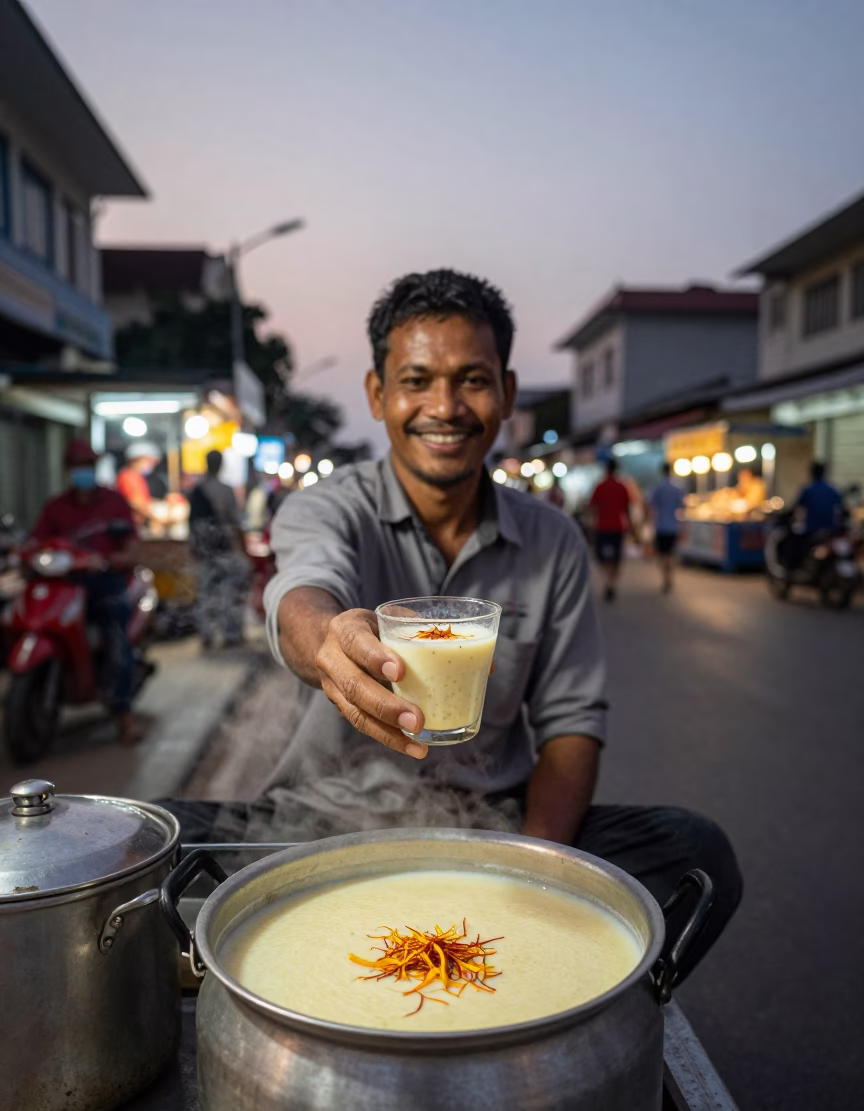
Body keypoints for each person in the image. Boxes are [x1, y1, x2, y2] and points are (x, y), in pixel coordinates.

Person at [160, 269, 742, 983]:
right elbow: (302, 595)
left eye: (471, 379)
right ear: (378, 394)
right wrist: (329, 642)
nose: (445, 407)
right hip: (319, 822)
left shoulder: (553, 540)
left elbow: (571, 722)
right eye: (417, 380)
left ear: (504, 392)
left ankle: (585, 1014)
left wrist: (533, 872)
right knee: (136, 849)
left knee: (697, 853)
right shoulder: (326, 508)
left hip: (491, 825)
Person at [30, 438, 143, 744]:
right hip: (66, 584)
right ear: (68, 470)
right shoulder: (55, 507)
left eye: (88, 466)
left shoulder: (114, 502)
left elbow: (132, 548)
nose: (83, 472)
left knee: (115, 630)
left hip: (105, 584)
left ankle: (124, 713)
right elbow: (36, 542)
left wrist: (110, 560)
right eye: (78, 466)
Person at [188, 449, 249, 650]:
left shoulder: (197, 490)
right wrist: (242, 548)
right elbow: (235, 522)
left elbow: (192, 524)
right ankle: (230, 634)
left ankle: (207, 633)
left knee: (206, 591)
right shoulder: (225, 490)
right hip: (223, 549)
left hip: (205, 550)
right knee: (227, 591)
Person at [588, 458, 632, 601]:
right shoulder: (621, 486)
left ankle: (608, 580)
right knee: (616, 557)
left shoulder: (600, 486)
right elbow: (627, 509)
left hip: (602, 526)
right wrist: (630, 526)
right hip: (618, 526)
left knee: (601, 556)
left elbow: (593, 506)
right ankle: (611, 582)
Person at [648, 463, 685, 593]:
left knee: (662, 554)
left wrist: (651, 526)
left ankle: (665, 578)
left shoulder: (657, 488)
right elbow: (681, 508)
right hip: (673, 526)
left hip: (661, 526)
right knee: (671, 553)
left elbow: (652, 509)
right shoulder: (677, 489)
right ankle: (669, 578)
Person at [116, 442, 162, 529]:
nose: (151, 465)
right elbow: (134, 502)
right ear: (135, 460)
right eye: (148, 460)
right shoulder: (128, 477)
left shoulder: (137, 477)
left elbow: (143, 500)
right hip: (131, 524)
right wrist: (156, 516)